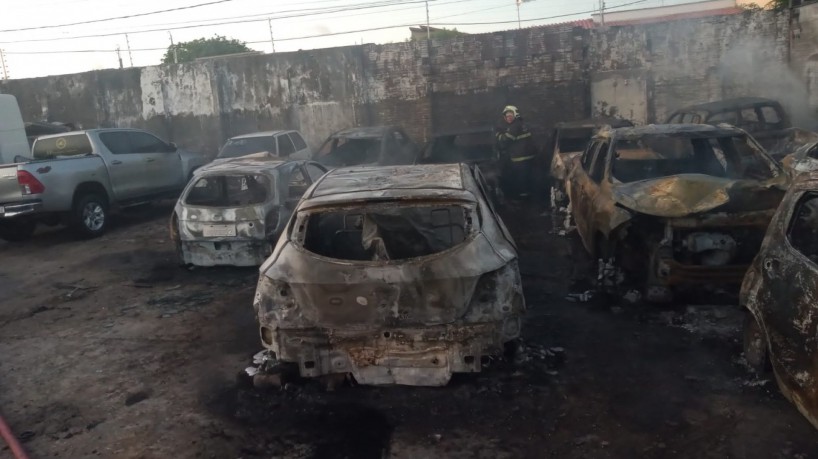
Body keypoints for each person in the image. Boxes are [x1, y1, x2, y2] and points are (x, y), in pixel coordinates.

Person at [495, 105, 537, 198]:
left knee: (520, 177)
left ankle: (523, 197)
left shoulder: (515, 126)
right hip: (528, 155)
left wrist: (498, 134)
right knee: (527, 176)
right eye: (507, 116)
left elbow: (506, 139)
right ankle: (529, 194)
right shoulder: (522, 124)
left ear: (515, 115)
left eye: (510, 116)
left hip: (520, 157)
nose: (508, 118)